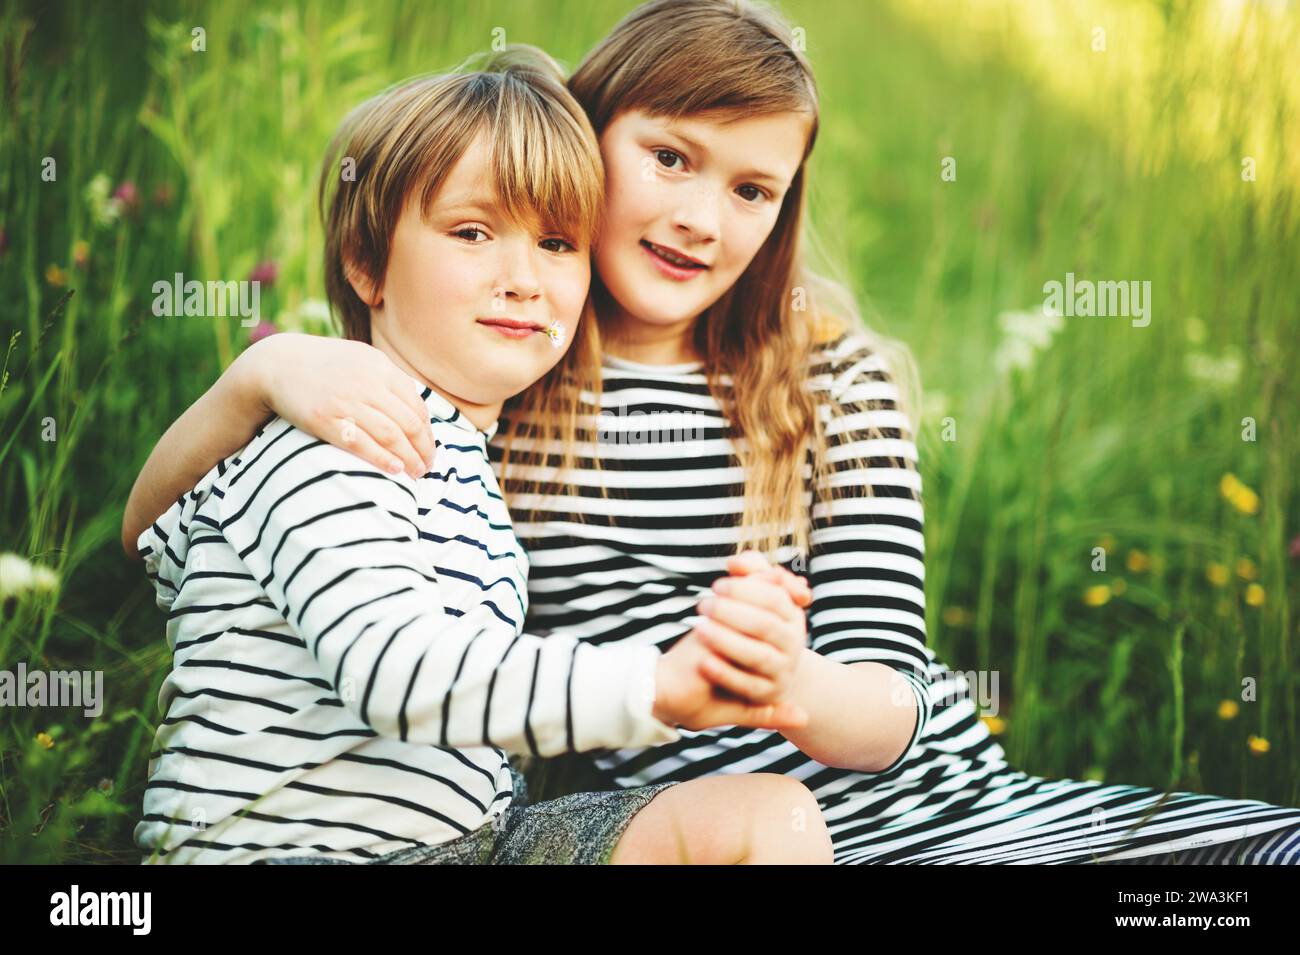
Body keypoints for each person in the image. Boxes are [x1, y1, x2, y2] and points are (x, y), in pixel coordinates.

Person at [124, 0, 1300, 864]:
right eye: (670, 157)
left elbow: (888, 700)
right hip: (702, 830)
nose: (699, 216)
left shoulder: (826, 378)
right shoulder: (483, 374)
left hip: (937, 801)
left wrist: (782, 683)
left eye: (751, 190)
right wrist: (261, 367)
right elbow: (174, 536)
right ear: (585, 151)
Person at [131, 45, 833, 865]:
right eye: (472, 232)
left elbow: (147, 532)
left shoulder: (464, 452)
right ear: (366, 263)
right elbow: (402, 674)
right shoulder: (340, 435)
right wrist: (658, 685)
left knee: (765, 817)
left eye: (559, 244)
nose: (522, 278)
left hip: (474, 843)